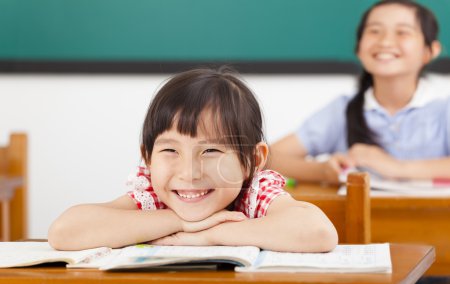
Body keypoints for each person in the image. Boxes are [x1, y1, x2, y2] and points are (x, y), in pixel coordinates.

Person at [48, 67, 338, 252]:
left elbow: (318, 232)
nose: (188, 172)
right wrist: (181, 223)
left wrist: (210, 235)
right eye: (170, 151)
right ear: (147, 159)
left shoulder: (252, 191)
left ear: (252, 160)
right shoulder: (153, 195)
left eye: (211, 151)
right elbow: (65, 231)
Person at [269, 0, 448, 184]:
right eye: (374, 31)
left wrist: (395, 167)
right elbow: (266, 158)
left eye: (402, 32)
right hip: (361, 213)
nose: (385, 41)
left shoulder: (443, 110)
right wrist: (321, 170)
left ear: (430, 51)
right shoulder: (342, 110)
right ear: (359, 49)